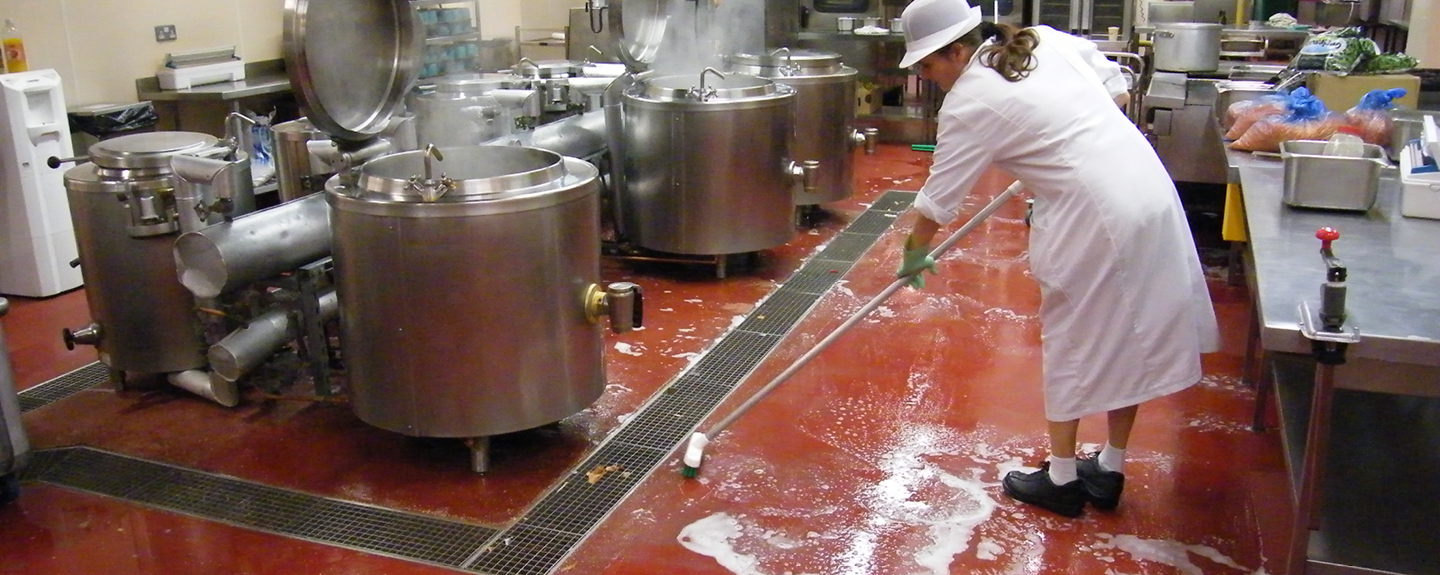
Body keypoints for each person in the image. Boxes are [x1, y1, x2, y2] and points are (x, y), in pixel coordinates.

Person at [892, 0, 1220, 518]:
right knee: (1129, 334)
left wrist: (913, 251)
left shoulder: (968, 101)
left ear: (956, 51)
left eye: (928, 66)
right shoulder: (1044, 39)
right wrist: (1060, 151)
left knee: (1070, 336)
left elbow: (940, 196)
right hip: (1146, 189)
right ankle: (1109, 468)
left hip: (1094, 214)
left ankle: (1063, 479)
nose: (928, 78)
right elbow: (1115, 87)